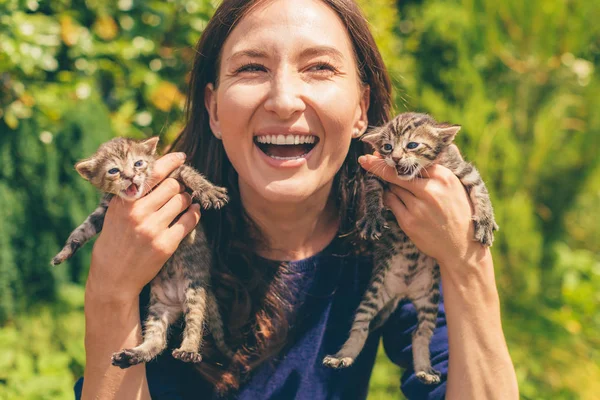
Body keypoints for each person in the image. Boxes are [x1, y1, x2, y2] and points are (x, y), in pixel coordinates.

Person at [77, 0, 518, 399]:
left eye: (320, 67)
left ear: (361, 110)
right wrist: (111, 292)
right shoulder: (153, 241)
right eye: (251, 68)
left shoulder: (395, 232)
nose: (284, 101)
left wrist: (467, 264)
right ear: (213, 109)